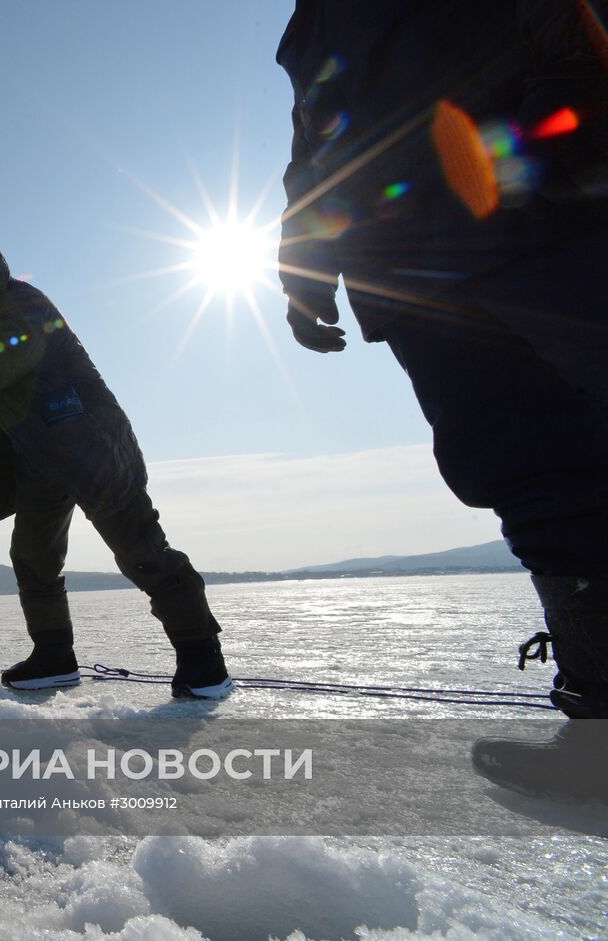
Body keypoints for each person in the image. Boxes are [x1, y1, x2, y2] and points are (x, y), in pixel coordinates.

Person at [276, 1, 608, 797]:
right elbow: (314, 150)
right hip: (414, 278)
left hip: (549, 225)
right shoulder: (312, 24)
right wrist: (303, 274)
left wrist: (572, 111)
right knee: (527, 477)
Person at [0, 236, 234, 696]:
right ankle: (54, 656)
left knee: (141, 550)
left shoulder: (25, 310)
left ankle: (203, 657)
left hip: (90, 446)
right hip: (41, 458)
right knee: (33, 556)